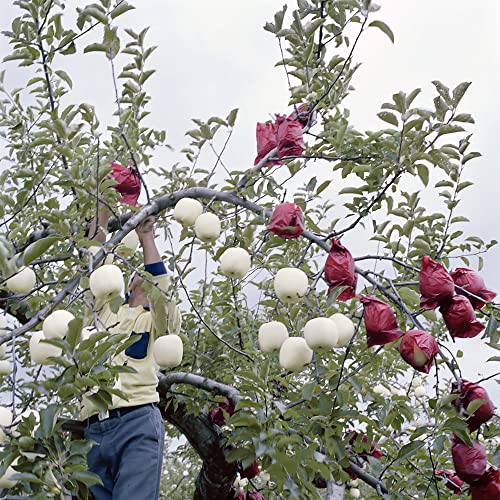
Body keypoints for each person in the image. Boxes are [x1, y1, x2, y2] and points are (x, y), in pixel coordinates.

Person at [82, 202, 181, 500]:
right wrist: (102, 208)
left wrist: (146, 236)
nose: (144, 273)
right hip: (93, 429)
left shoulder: (157, 323)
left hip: (136, 421)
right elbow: (95, 263)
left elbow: (163, 292)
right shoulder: (105, 312)